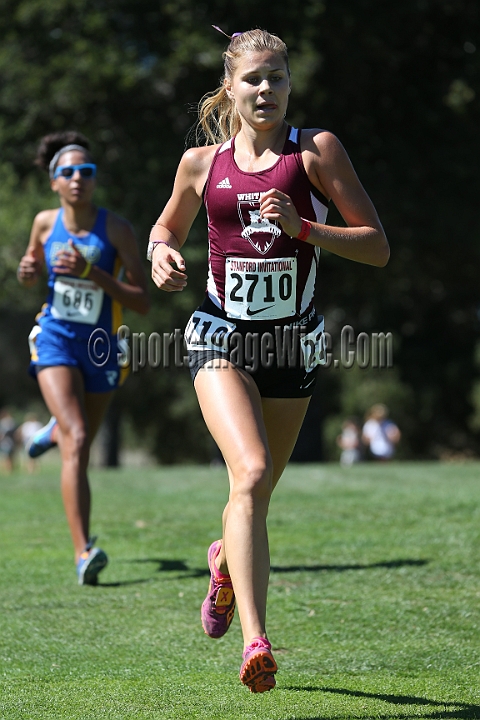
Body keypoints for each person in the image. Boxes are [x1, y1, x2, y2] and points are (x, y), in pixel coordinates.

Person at [149, 28, 389, 692]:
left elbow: (376, 246)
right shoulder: (201, 163)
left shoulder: (314, 151)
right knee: (250, 471)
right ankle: (256, 642)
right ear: (230, 86)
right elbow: (167, 224)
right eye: (254, 78)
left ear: (289, 86)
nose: (266, 89)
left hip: (293, 343)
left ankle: (225, 562)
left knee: (254, 493)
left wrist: (305, 228)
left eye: (277, 77)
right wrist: (161, 250)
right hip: (220, 336)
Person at [17, 131, 150, 585]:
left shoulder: (116, 229)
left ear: (94, 180)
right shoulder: (43, 222)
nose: (77, 179)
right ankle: (83, 551)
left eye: (86, 172)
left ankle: (56, 427)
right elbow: (32, 267)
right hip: (55, 338)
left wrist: (93, 272)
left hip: (102, 346)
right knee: (77, 439)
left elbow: (141, 300)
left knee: (81, 441)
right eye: (67, 173)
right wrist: (27, 269)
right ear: (53, 181)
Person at [0, 409, 17, 474]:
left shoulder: (5, 422)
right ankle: (9, 469)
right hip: (7, 441)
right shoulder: (8, 422)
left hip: (7, 441)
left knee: (7, 455)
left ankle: (9, 468)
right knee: (8, 455)